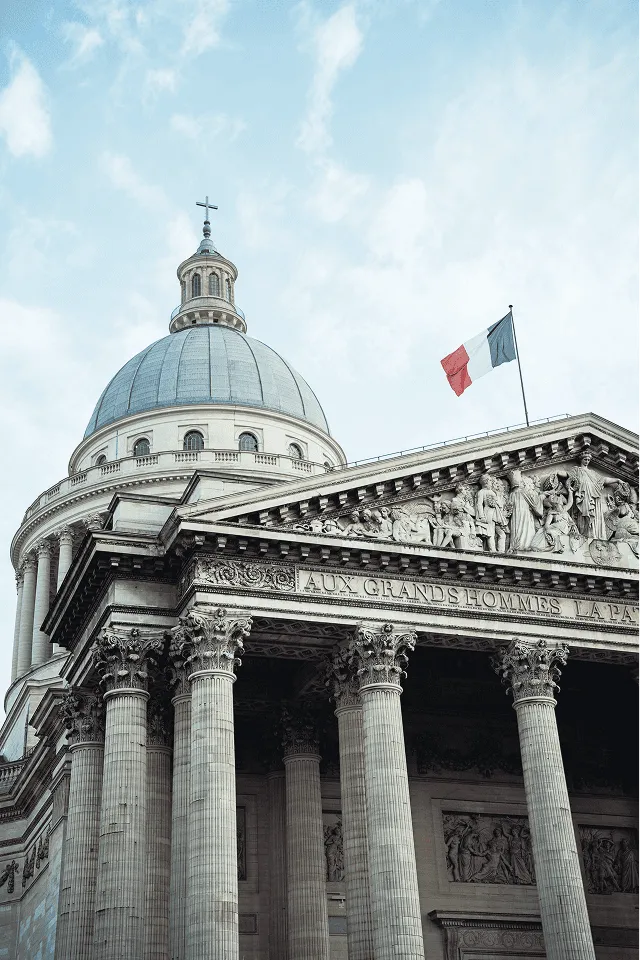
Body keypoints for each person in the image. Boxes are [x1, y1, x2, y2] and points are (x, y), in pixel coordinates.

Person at [508, 469, 543, 551]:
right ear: (525, 484)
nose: (532, 486)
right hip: (526, 516)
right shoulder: (526, 493)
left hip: (516, 519)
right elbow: (537, 508)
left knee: (517, 531)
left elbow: (508, 508)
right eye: (530, 484)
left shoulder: (512, 494)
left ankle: (517, 547)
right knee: (526, 532)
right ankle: (525, 546)